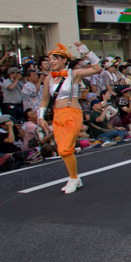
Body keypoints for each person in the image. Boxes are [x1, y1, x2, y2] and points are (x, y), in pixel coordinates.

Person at [38, 42, 103, 194]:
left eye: (54, 59)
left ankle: (73, 178)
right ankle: (74, 177)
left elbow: (97, 69)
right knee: (62, 150)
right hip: (57, 115)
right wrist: (40, 117)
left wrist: (86, 52)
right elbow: (44, 100)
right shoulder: (48, 79)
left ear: (64, 60)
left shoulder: (74, 74)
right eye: (50, 60)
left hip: (72, 112)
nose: (51, 62)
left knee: (65, 148)